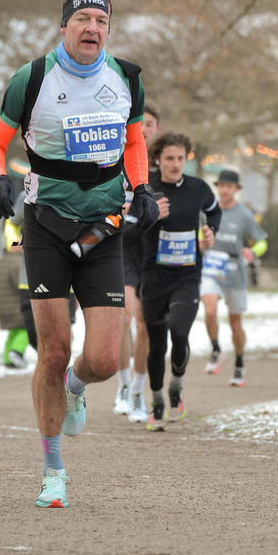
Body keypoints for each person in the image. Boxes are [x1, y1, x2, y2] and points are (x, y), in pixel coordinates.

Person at [0, 0, 159, 509]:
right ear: (64, 26)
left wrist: (142, 187)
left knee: (103, 359)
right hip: (46, 228)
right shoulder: (32, 78)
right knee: (54, 351)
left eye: (101, 21)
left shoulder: (126, 78)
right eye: (82, 19)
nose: (92, 28)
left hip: (103, 228)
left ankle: (76, 388)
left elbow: (134, 140)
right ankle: (53, 470)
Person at [141, 131, 221, 431]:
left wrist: (210, 231)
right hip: (154, 276)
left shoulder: (199, 188)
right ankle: (157, 402)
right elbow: (129, 231)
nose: (176, 164)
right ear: (157, 159)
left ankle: (176, 384)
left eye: (180, 158)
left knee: (179, 331)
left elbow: (214, 212)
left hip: (187, 275)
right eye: (169, 158)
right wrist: (151, 216)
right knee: (156, 344)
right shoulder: (146, 189)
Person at [114, 99, 161, 422]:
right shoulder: (116, 163)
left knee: (145, 325)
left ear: (157, 129)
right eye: (139, 123)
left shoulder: (166, 169)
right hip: (123, 252)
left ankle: (137, 392)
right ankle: (122, 385)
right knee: (123, 317)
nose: (144, 129)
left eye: (149, 124)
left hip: (153, 255)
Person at [200, 169, 268, 386]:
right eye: (222, 186)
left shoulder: (245, 215)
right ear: (217, 187)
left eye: (229, 186)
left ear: (236, 189)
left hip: (235, 271)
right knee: (210, 309)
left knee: (235, 322)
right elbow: (200, 233)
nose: (225, 190)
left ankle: (239, 362)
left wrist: (253, 252)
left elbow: (262, 241)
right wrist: (200, 242)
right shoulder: (208, 211)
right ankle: (216, 349)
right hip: (211, 268)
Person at [0, 201, 37, 369]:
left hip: (3, 307)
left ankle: (7, 359)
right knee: (26, 330)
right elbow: (22, 283)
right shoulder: (17, 263)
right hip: (16, 306)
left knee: (12, 333)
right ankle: (17, 352)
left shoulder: (1, 262)